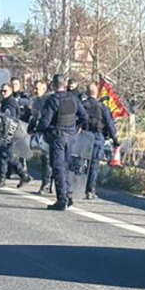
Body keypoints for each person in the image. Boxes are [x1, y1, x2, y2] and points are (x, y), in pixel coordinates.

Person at [38, 73, 87, 210]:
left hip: (57, 137)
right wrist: (76, 127)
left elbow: (45, 121)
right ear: (64, 85)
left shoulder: (52, 100)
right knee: (65, 167)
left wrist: (39, 130)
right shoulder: (73, 99)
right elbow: (84, 116)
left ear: (53, 85)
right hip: (70, 137)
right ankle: (68, 195)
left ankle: (62, 199)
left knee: (58, 167)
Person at [80, 80, 120, 201]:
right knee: (94, 164)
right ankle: (90, 190)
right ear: (97, 93)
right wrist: (115, 140)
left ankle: (78, 186)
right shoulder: (103, 107)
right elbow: (110, 124)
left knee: (80, 162)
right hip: (97, 137)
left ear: (86, 93)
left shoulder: (82, 105)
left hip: (83, 136)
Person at [0, 82, 30, 188]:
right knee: (5, 155)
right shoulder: (5, 101)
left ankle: (20, 175)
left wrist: (8, 136)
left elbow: (12, 119)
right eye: (2, 91)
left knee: (6, 154)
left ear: (10, 91)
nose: (3, 93)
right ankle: (20, 176)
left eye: (5, 91)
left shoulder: (11, 103)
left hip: (10, 132)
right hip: (6, 131)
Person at [29, 76, 53, 195]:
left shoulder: (49, 100)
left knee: (48, 159)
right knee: (45, 159)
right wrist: (31, 128)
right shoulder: (35, 101)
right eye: (34, 88)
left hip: (50, 132)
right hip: (41, 133)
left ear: (44, 88)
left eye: (37, 88)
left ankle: (47, 184)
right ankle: (46, 183)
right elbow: (34, 117)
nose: (34, 90)